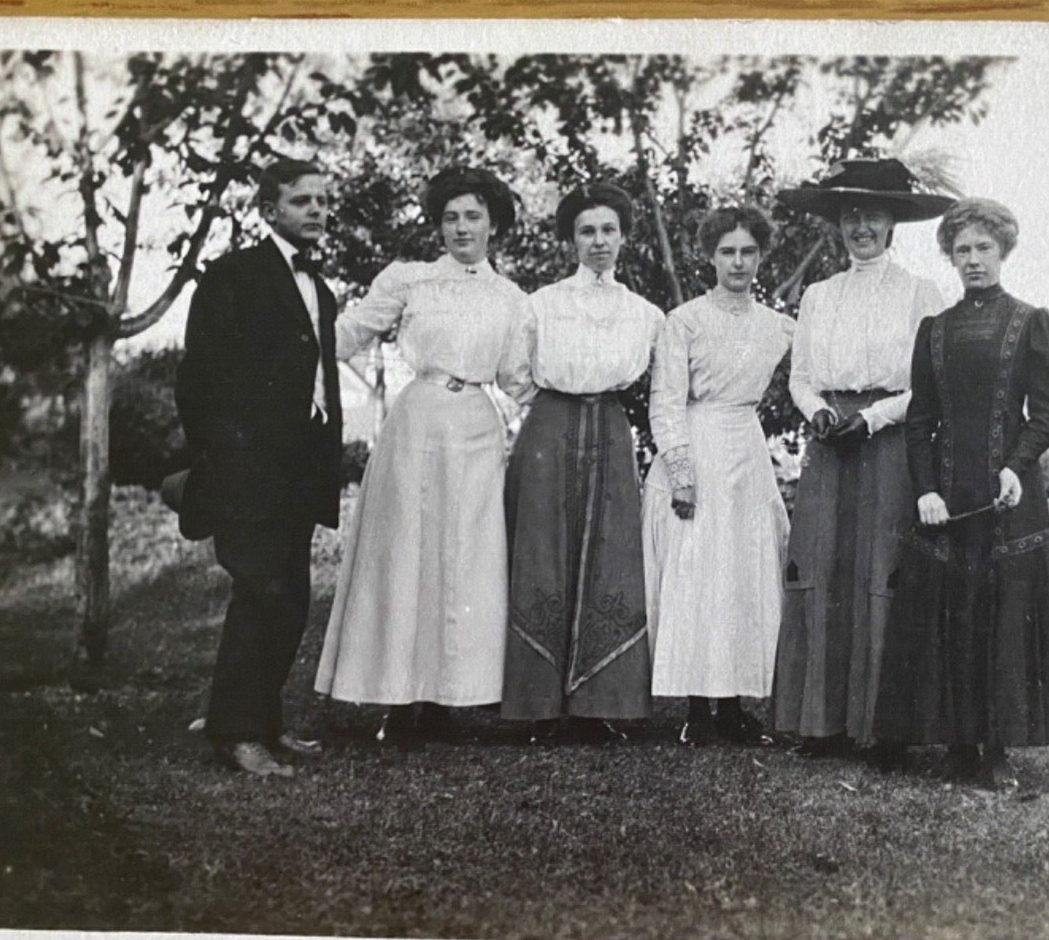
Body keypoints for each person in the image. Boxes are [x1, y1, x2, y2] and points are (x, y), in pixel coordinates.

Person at [313, 166, 534, 747]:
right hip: (416, 424)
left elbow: (519, 378)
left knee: (464, 559)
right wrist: (291, 341)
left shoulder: (512, 299)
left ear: (493, 225)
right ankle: (398, 697)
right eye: (450, 217)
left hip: (477, 429)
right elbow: (346, 333)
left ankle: (448, 697)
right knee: (406, 553)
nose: (461, 228)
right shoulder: (409, 279)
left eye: (473, 217)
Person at [872, 197, 1049, 789]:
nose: (973, 260)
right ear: (950, 257)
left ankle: (995, 750)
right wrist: (925, 490)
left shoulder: (1031, 322)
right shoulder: (935, 330)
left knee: (1001, 612)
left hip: (1008, 492)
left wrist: (1016, 467)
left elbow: (1044, 415)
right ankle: (958, 746)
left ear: (1002, 251)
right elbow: (920, 421)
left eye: (983, 248)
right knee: (952, 611)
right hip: (947, 494)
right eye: (961, 249)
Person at [771, 158, 952, 757]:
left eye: (873, 215)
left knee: (882, 568)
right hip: (831, 446)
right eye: (851, 216)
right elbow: (800, 377)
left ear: (893, 222)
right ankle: (821, 723)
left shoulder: (920, 294)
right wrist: (818, 412)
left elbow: (928, 385)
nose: (861, 227)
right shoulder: (820, 296)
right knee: (823, 565)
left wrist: (872, 418)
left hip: (889, 440)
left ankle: (882, 728)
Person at [174, 157, 340, 778]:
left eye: (322, 200)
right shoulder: (233, 276)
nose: (317, 210)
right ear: (269, 211)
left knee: (289, 599)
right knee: (259, 593)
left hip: (299, 470)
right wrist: (227, 458)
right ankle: (237, 733)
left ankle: (263, 722)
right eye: (302, 201)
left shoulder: (319, 287)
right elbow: (199, 379)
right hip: (248, 470)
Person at [502, 182, 662, 743]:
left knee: (610, 555)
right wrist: (554, 405)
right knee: (543, 551)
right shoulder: (541, 304)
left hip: (611, 429)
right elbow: (513, 373)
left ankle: (598, 705)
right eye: (587, 231)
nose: (599, 241)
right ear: (571, 239)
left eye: (609, 230)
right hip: (550, 427)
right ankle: (539, 706)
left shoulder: (645, 314)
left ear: (624, 237)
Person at [642, 206, 793, 745]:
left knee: (741, 574)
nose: (738, 262)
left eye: (748, 252)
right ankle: (696, 708)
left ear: (761, 256)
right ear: (710, 257)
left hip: (746, 452)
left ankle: (732, 705)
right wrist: (681, 472)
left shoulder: (779, 327)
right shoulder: (684, 321)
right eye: (727, 252)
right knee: (696, 571)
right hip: (698, 444)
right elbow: (666, 400)